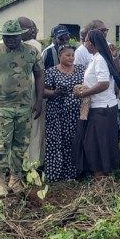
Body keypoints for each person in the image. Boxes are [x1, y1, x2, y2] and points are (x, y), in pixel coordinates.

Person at [0, 19, 44, 197]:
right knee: (0, 144)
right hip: (1, 107)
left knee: (20, 144)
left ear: (20, 36)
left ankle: (15, 178)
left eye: (14, 37)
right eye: (7, 37)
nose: (11, 40)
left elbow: (39, 75)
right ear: (3, 37)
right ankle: (0, 180)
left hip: (24, 107)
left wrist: (38, 102)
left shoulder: (32, 52)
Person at [73, 29, 120, 178]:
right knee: (99, 143)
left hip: (102, 108)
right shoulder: (96, 57)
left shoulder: (99, 59)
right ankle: (102, 176)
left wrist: (82, 93)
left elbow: (104, 83)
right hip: (100, 107)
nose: (84, 43)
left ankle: (101, 177)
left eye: (86, 40)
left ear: (92, 43)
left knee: (95, 144)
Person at [42, 46, 86, 182]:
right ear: (60, 56)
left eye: (73, 55)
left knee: (73, 142)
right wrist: (54, 93)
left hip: (75, 114)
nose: (71, 58)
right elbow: (44, 92)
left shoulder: (81, 70)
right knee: (55, 143)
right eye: (68, 55)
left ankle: (71, 174)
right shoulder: (51, 72)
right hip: (56, 113)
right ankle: (54, 175)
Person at [18, 17, 46, 167]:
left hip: (31, 97)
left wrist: (39, 99)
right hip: (17, 100)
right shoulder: (33, 45)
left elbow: (39, 74)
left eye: (33, 28)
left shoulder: (33, 45)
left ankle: (30, 165)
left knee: (32, 131)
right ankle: (29, 164)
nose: (33, 31)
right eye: (30, 28)